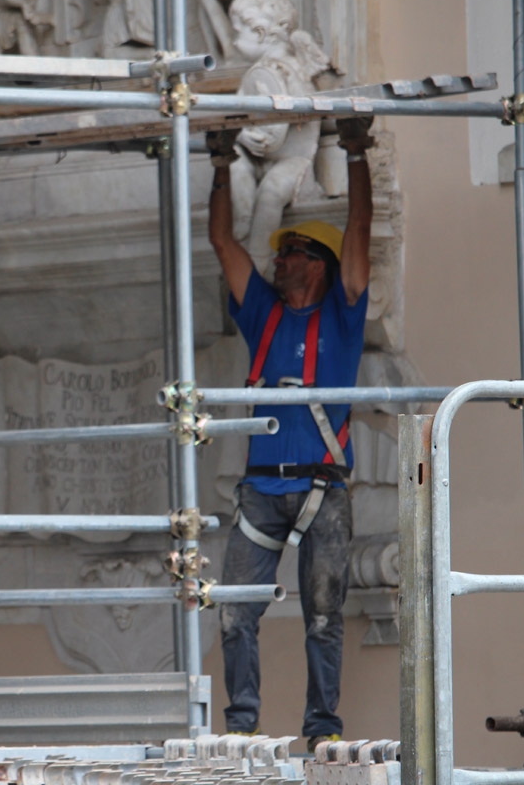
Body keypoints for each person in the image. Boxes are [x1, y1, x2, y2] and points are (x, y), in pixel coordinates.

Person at [205, 116, 374, 751]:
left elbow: (358, 230)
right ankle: (243, 724)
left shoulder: (344, 313)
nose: (278, 262)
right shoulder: (262, 314)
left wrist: (356, 153)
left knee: (324, 617)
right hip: (260, 494)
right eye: (278, 254)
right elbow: (224, 243)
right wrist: (220, 165)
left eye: (292, 253)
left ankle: (322, 731)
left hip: (322, 492)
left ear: (321, 265)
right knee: (234, 613)